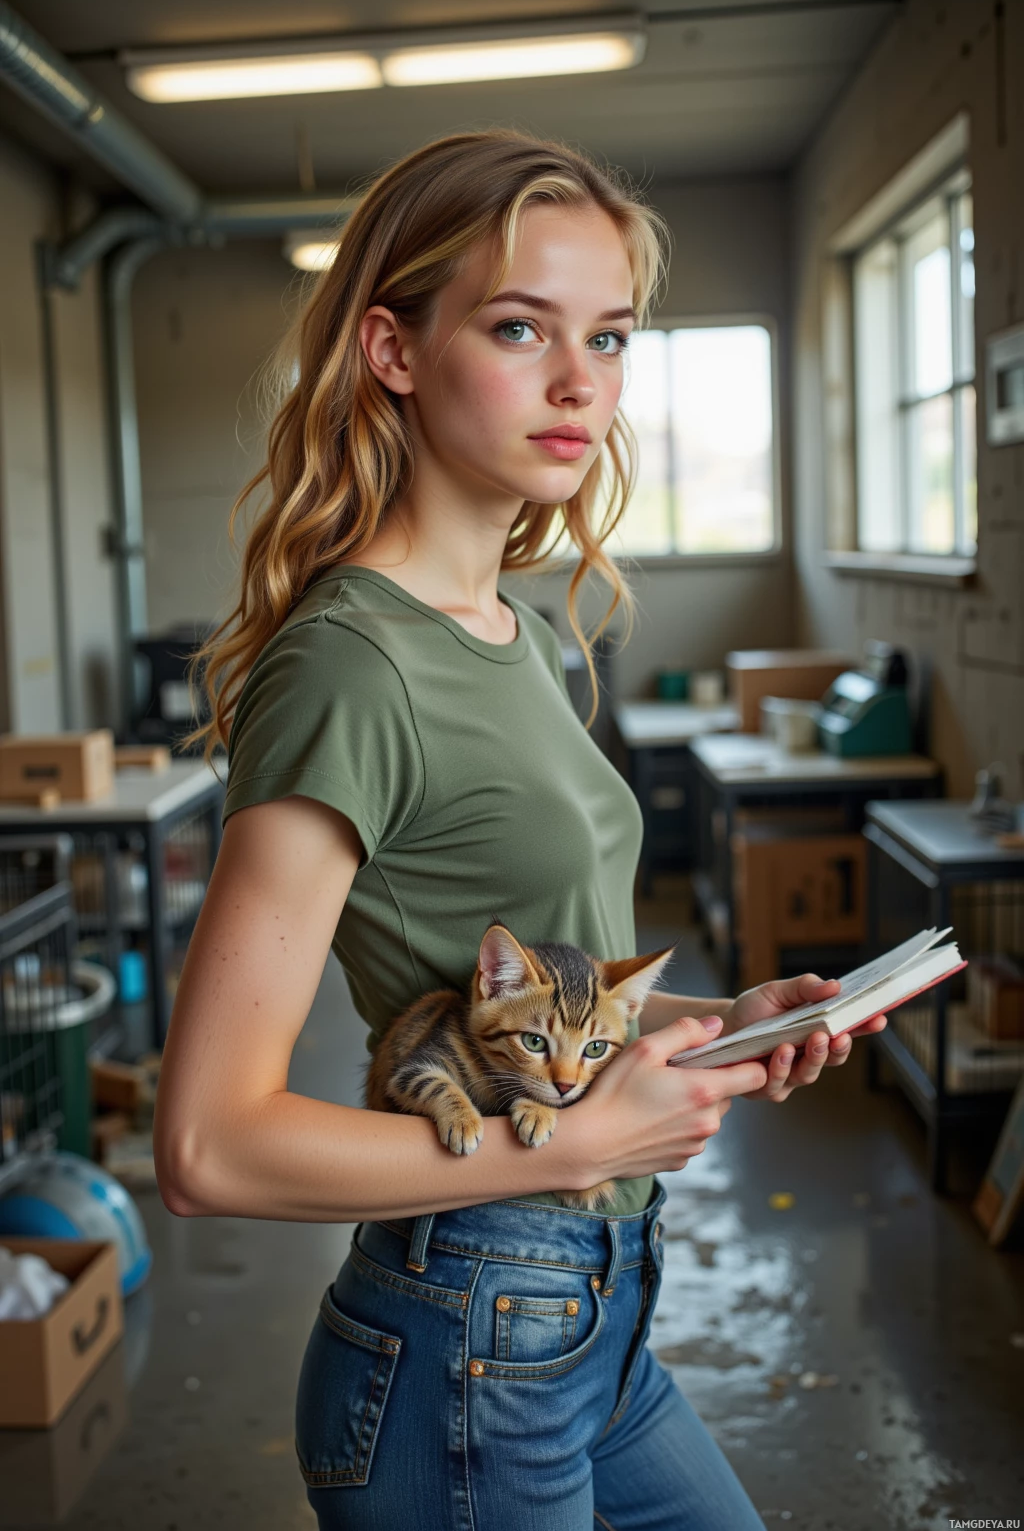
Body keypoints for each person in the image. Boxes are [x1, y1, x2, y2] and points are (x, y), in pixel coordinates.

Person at [154, 129, 887, 1530]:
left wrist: (731, 1019)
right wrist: (568, 1148)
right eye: (517, 328)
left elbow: (538, 974)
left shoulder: (516, 630)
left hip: (592, 1324)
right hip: (471, 1335)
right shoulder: (352, 664)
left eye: (607, 337)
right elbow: (208, 1146)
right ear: (393, 350)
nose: (580, 384)